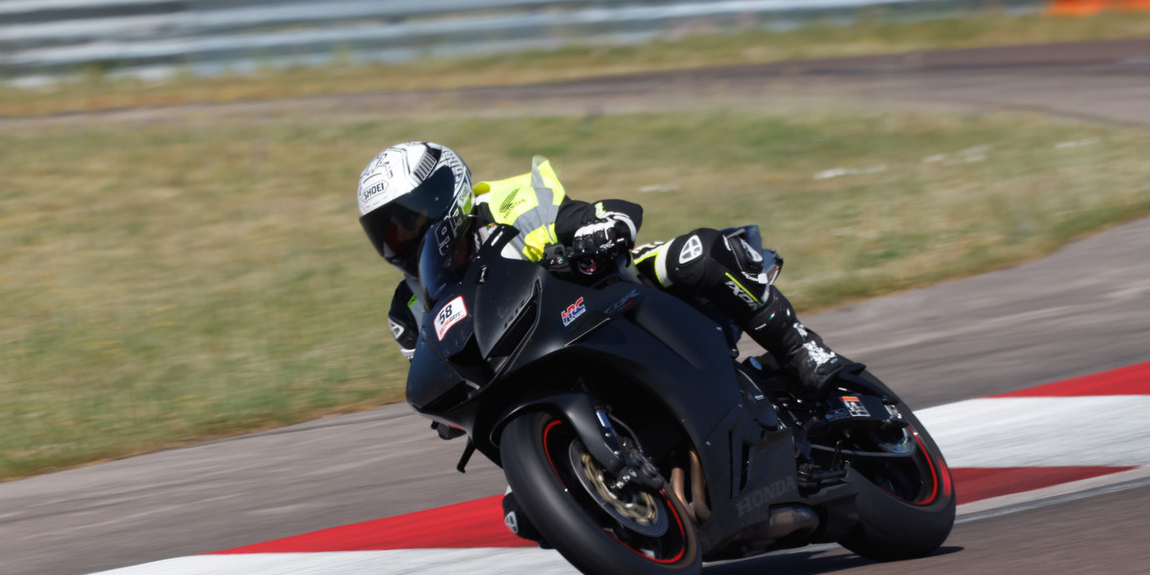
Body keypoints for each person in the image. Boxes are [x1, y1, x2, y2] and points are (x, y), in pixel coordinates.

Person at [355, 141, 854, 393]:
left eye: (407, 219)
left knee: (695, 255)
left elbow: (607, 213)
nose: (400, 239)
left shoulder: (510, 203)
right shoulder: (409, 312)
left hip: (602, 298)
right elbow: (440, 382)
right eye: (386, 231)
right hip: (538, 370)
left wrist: (602, 229)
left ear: (447, 193)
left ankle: (798, 346)